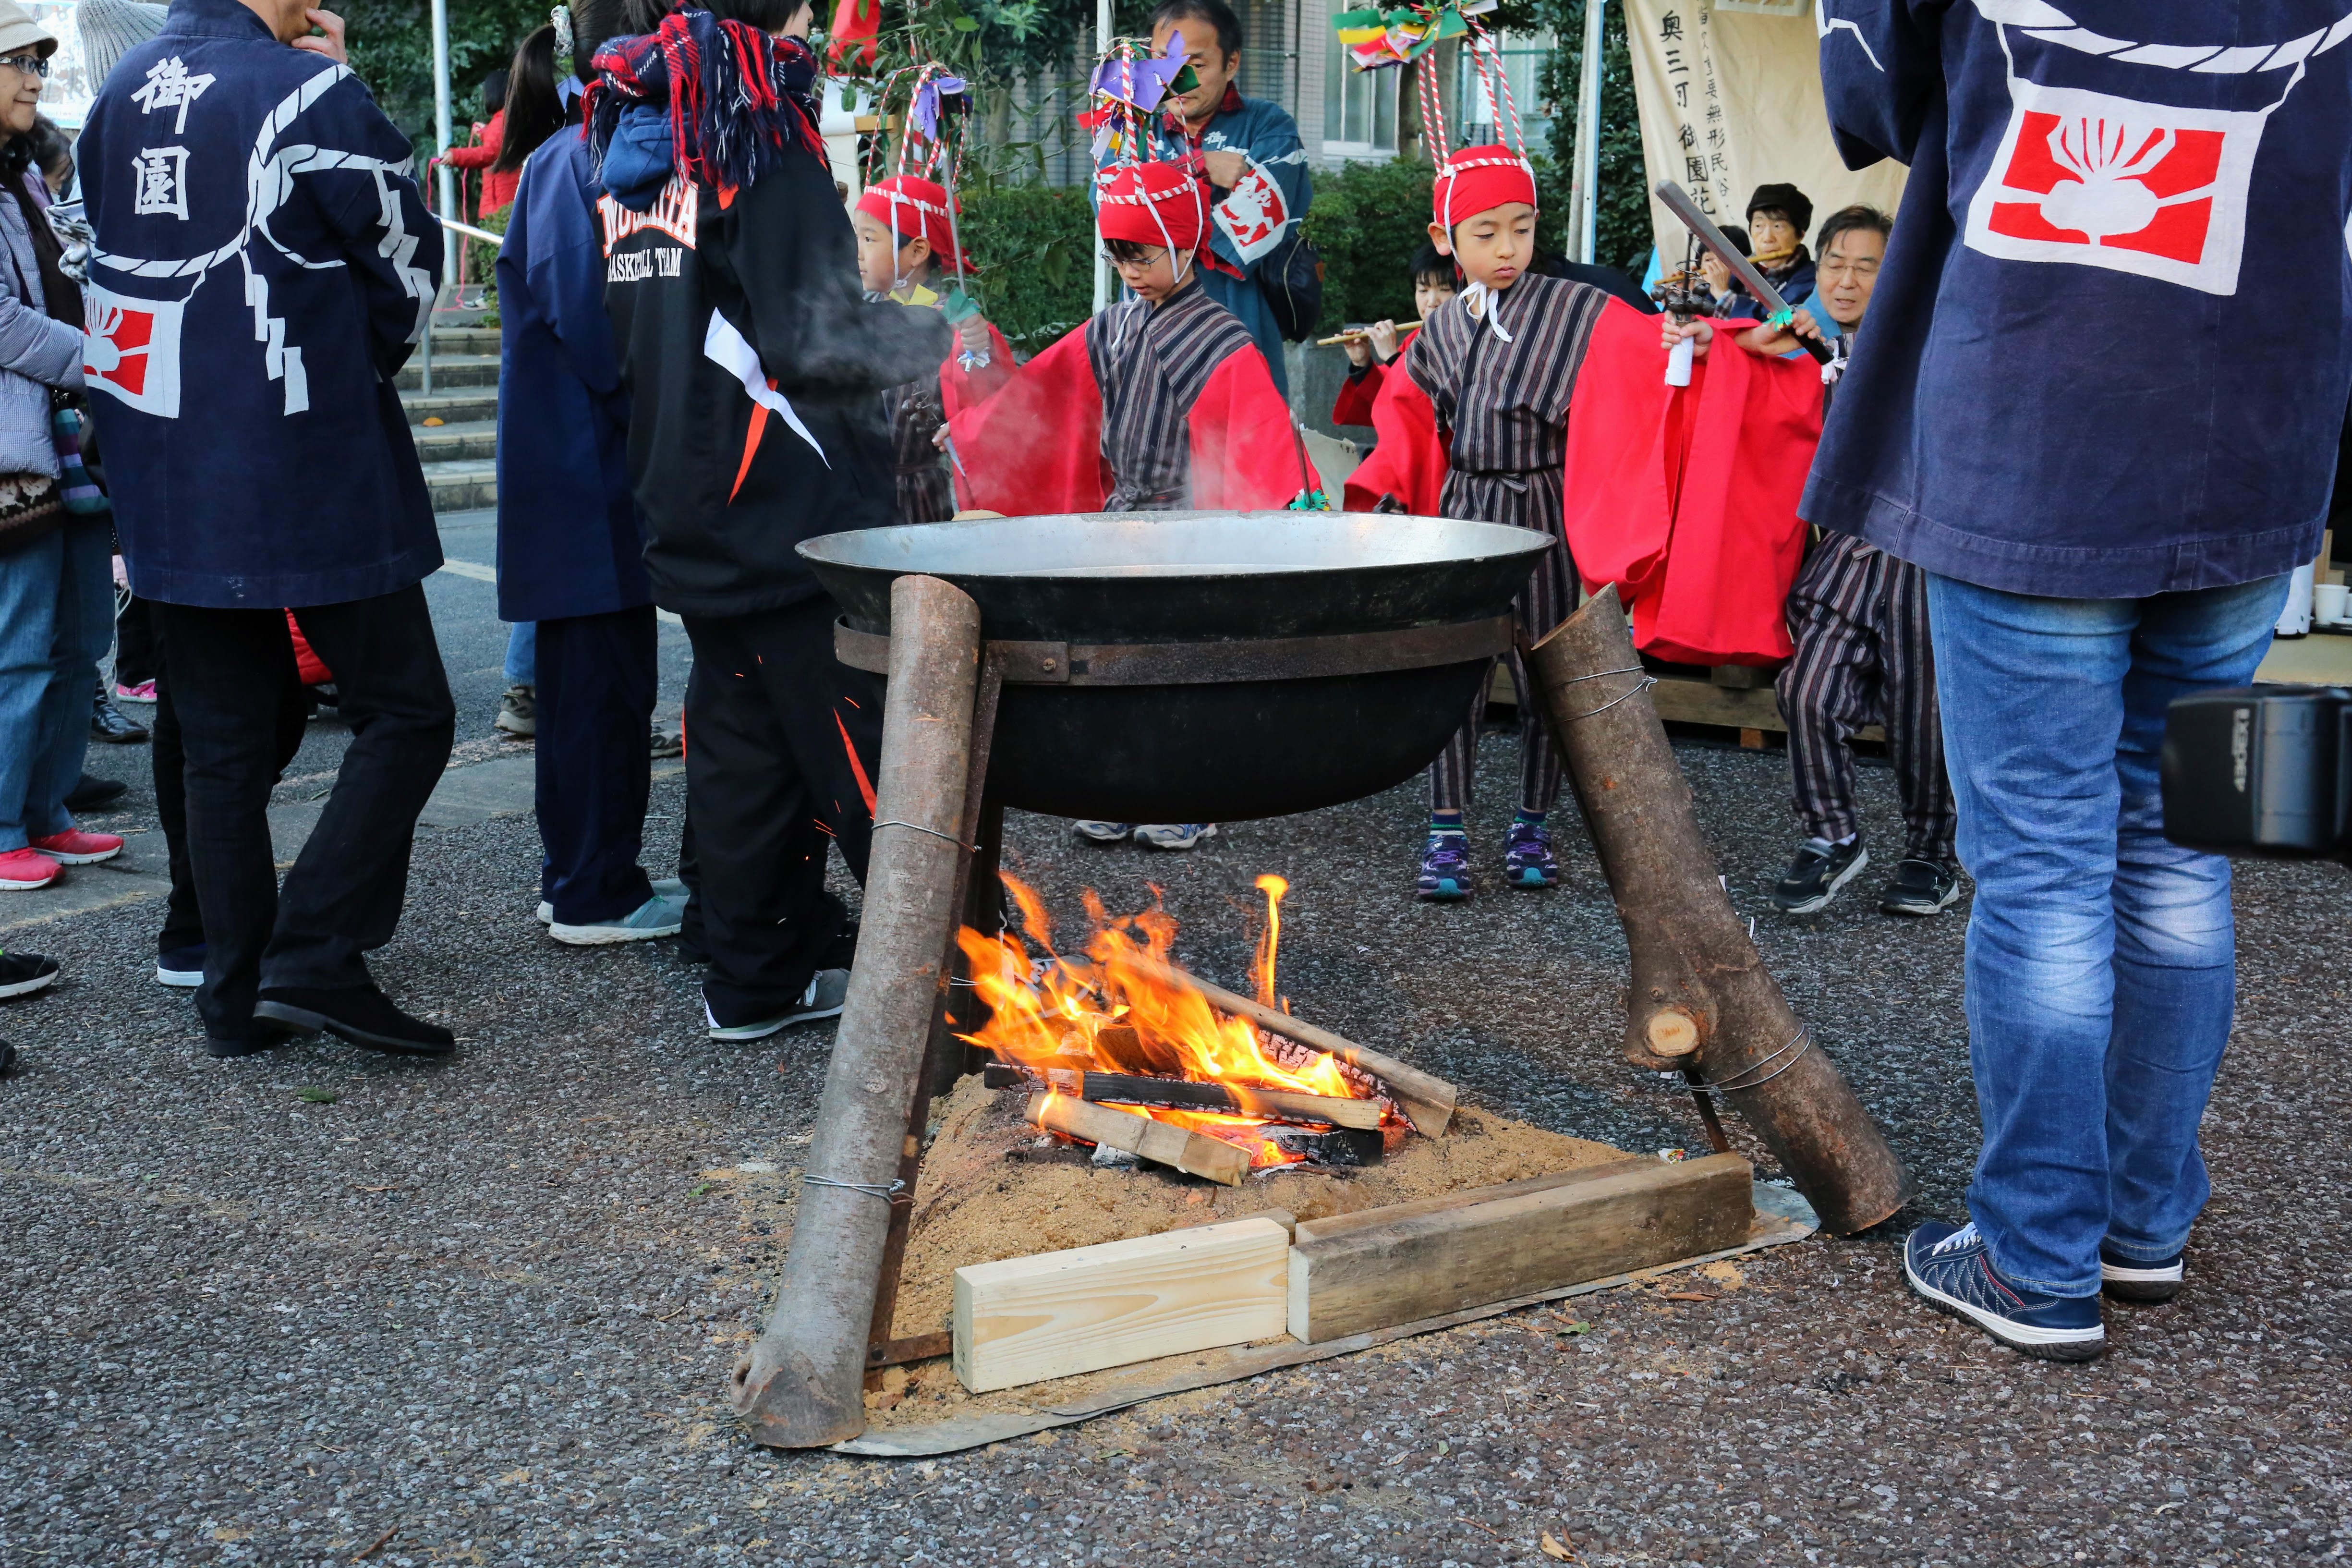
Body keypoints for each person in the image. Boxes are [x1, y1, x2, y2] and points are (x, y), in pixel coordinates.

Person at [1812, 0, 2352, 1360]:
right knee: (2178, 849)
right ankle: (2140, 1222)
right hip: (2255, 415)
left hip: (2038, 415)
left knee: (2046, 867)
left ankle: (2035, 1255)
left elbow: (1870, 95)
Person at [80, 0, 456, 1059]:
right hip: (303, 442)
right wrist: (355, 361)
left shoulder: (116, 96)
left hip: (162, 452)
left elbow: (89, 256)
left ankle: (230, 988)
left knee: (221, 743)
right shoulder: (309, 90)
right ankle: (317, 951)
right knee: (409, 710)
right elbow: (409, 258)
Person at [592, 0, 948, 1040]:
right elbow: (816, 333)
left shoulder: (636, 130)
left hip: (686, 500)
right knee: (879, 765)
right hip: (792, 510)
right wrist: (929, 342)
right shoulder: (751, 122)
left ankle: (755, 979)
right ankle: (962, 993)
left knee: (743, 754)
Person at [940, 157, 1309, 855]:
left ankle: (1189, 796)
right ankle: (1117, 790)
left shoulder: (1224, 342)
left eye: (1140, 254)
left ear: (1182, 241)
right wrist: (970, 425)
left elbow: (1258, 447)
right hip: (1120, 519)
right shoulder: (1110, 327)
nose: (1129, 270)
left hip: (1193, 526)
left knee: (1181, 666)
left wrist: (1262, 533)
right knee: (1113, 663)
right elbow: (1041, 398)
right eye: (1118, 256)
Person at [497, 0, 685, 947]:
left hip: (571, 473)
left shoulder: (560, 159)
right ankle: (594, 890)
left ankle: (574, 875)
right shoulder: (587, 163)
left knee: (584, 695)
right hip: (590, 475)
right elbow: (596, 324)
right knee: (601, 698)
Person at [1378, 144, 1608, 900]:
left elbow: (1647, 365)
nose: (1507, 248)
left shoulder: (1579, 309)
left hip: (1543, 509)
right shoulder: (1439, 330)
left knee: (1545, 674)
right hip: (1465, 515)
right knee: (1456, 674)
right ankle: (1446, 828)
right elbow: (1405, 425)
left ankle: (1531, 821)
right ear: (1445, 239)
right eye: (1484, 232)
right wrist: (1382, 498)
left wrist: (1695, 341)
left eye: (1521, 227)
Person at [1723, 204, 1960, 920]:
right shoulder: (1803, 343)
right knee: (1806, 690)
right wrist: (1751, 346)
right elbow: (1734, 364)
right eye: (1834, 263)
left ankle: (1930, 854)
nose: (1846, 279)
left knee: (1924, 716)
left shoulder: (1926, 343)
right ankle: (1832, 834)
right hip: (1846, 555)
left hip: (1923, 551)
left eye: (1867, 266)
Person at [0, 2, 124, 896]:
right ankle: (6, 825)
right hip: (18, 452)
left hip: (67, 441)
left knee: (79, 643)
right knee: (22, 646)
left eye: (39, 62)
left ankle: (45, 814)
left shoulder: (25, 179)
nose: (36, 79)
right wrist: (103, 359)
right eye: (17, 62)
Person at [1105, 0, 1310, 399]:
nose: (1176, 79)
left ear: (1231, 63)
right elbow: (1114, 212)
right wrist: (1198, 166)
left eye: (1196, 65)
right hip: (1144, 321)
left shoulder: (1271, 126)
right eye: (1162, 61)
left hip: (1237, 318)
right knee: (1145, 441)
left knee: (1241, 448)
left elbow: (1252, 221)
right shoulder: (1129, 127)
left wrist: (1156, 205)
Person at [851, 173, 1010, 524]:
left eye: (868, 239)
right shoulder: (861, 312)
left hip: (920, 495)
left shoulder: (956, 313)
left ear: (918, 251)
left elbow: (992, 395)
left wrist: (977, 348)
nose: (856, 252)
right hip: (861, 490)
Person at [1331, 242, 1454, 429]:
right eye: (1423, 290)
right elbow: (1387, 403)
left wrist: (1391, 356)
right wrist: (1362, 364)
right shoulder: (1416, 339)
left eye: (1445, 289)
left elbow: (1429, 414)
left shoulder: (1466, 340)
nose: (1431, 302)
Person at [1705, 183, 1815, 316]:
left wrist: (1723, 294)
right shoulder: (1738, 269)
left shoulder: (1811, 278)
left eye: (1778, 226)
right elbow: (1706, 313)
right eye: (1759, 226)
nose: (1768, 238)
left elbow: (1775, 320)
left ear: (1800, 235)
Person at [443, 67, 516, 218]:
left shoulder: (501, 121)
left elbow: (490, 153)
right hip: (509, 200)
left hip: (500, 206)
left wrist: (456, 156)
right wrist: (486, 132)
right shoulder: (513, 118)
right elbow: (502, 145)